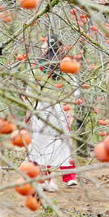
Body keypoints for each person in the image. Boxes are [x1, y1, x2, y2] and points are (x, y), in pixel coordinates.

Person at [27, 36, 78, 191]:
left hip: (41, 108)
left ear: (47, 49)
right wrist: (71, 111)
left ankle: (45, 179)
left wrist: (29, 111)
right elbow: (73, 90)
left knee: (41, 145)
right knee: (61, 142)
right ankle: (68, 176)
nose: (41, 48)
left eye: (43, 45)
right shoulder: (65, 66)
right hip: (59, 108)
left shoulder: (37, 68)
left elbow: (30, 91)